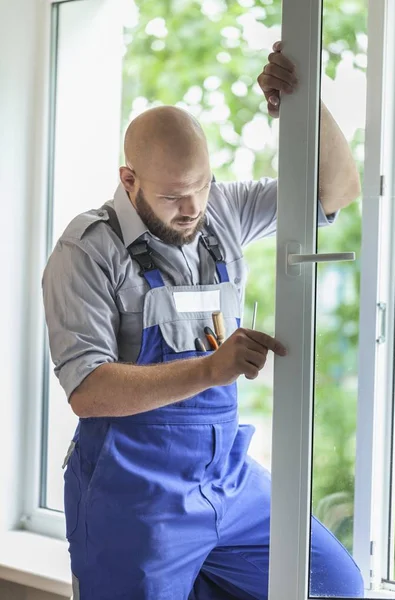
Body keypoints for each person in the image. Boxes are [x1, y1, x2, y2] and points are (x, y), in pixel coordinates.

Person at [43, 41, 364, 599]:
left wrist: (303, 103)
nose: (192, 209)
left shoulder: (221, 211)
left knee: (334, 586)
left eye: (201, 186)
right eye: (172, 197)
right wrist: (211, 369)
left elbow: (337, 191)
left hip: (226, 482)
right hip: (133, 495)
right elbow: (88, 390)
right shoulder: (86, 250)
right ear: (128, 180)